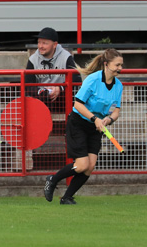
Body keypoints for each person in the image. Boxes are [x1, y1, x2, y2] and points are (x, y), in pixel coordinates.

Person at [43, 49, 124, 205]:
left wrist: (108, 120)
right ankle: (53, 179)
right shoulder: (93, 80)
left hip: (96, 127)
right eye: (117, 65)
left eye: (121, 65)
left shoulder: (118, 85)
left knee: (90, 166)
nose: (120, 68)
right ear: (106, 64)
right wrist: (94, 118)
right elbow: (78, 104)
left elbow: (116, 111)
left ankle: (67, 197)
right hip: (78, 123)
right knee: (82, 165)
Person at [26, 27, 77, 102]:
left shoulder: (66, 57)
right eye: (39, 42)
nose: (40, 46)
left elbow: (76, 79)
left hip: (63, 100)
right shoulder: (33, 59)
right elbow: (27, 84)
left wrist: (59, 88)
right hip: (41, 100)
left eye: (45, 43)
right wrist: (41, 92)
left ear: (55, 45)